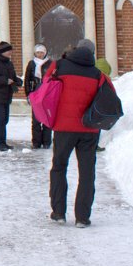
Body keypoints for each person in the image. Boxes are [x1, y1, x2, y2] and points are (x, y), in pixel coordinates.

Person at [47, 38, 107, 226]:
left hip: (63, 128)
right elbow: (108, 96)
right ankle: (82, 217)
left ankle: (58, 213)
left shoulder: (59, 66)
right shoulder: (98, 74)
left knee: (59, 167)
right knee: (87, 172)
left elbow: (46, 85)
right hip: (89, 129)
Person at [24, 44, 54, 148]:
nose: (40, 54)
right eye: (38, 52)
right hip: (35, 91)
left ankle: (46, 141)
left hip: (47, 92)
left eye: (41, 52)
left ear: (45, 53)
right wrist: (28, 93)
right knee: (36, 117)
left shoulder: (50, 63)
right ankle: (36, 142)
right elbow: (27, 79)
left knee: (47, 117)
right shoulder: (32, 64)